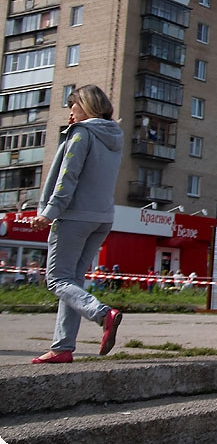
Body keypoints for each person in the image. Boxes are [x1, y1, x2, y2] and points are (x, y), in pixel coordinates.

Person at [29, 85, 124, 364]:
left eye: (73, 105)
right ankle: (62, 347)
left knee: (57, 279)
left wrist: (49, 211)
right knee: (72, 282)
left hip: (73, 215)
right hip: (102, 217)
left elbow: (68, 176)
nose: (71, 111)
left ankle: (101, 313)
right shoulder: (113, 134)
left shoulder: (82, 133)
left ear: (86, 105)